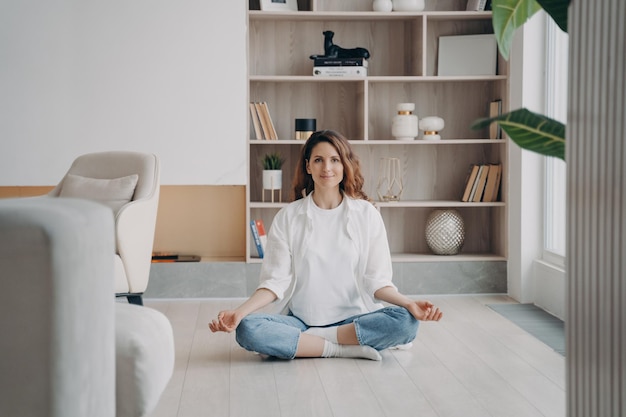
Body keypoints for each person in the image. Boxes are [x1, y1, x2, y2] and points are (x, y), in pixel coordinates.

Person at [209, 130, 442, 360]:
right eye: (318, 160)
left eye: (334, 160)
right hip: (301, 321)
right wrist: (240, 312)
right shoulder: (288, 217)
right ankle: (341, 348)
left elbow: (378, 282)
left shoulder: (367, 214)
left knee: (406, 323)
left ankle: (314, 341)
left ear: (345, 165)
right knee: (248, 328)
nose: (327, 168)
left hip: (356, 320)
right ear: (308, 166)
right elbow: (275, 282)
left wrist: (410, 303)